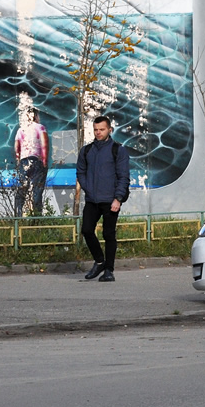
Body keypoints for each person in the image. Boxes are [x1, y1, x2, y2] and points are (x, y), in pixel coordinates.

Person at [77, 116, 130, 283]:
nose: (98, 132)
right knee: (86, 230)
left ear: (109, 130)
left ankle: (109, 270)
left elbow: (123, 177)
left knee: (109, 234)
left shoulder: (118, 150)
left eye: (102, 129)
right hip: (92, 199)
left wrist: (118, 199)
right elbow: (80, 172)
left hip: (111, 200)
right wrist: (89, 189)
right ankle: (100, 262)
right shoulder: (86, 151)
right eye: (96, 130)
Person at [13, 107, 49, 217]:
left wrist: (18, 160)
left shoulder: (21, 129)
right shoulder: (40, 127)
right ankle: (36, 217)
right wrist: (45, 160)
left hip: (24, 161)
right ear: (36, 116)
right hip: (36, 160)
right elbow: (44, 144)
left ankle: (17, 216)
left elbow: (16, 147)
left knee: (22, 189)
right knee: (37, 190)